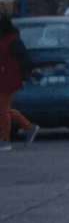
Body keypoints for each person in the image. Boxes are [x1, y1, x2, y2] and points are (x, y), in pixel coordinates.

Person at [0, 14, 39, 151]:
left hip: (10, 79)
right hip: (4, 78)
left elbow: (24, 59)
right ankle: (28, 127)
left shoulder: (12, 41)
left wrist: (31, 72)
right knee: (4, 109)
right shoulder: (6, 40)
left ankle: (5, 140)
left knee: (2, 109)